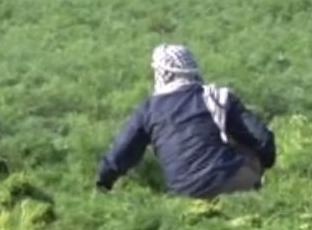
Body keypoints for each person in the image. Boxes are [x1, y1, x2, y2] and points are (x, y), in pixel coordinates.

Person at [96, 44, 277, 199]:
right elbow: (262, 140)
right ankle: (252, 192)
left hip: (184, 193)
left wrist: (103, 183)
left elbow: (121, 153)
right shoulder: (217, 97)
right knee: (246, 149)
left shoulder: (148, 110)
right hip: (230, 181)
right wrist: (264, 165)